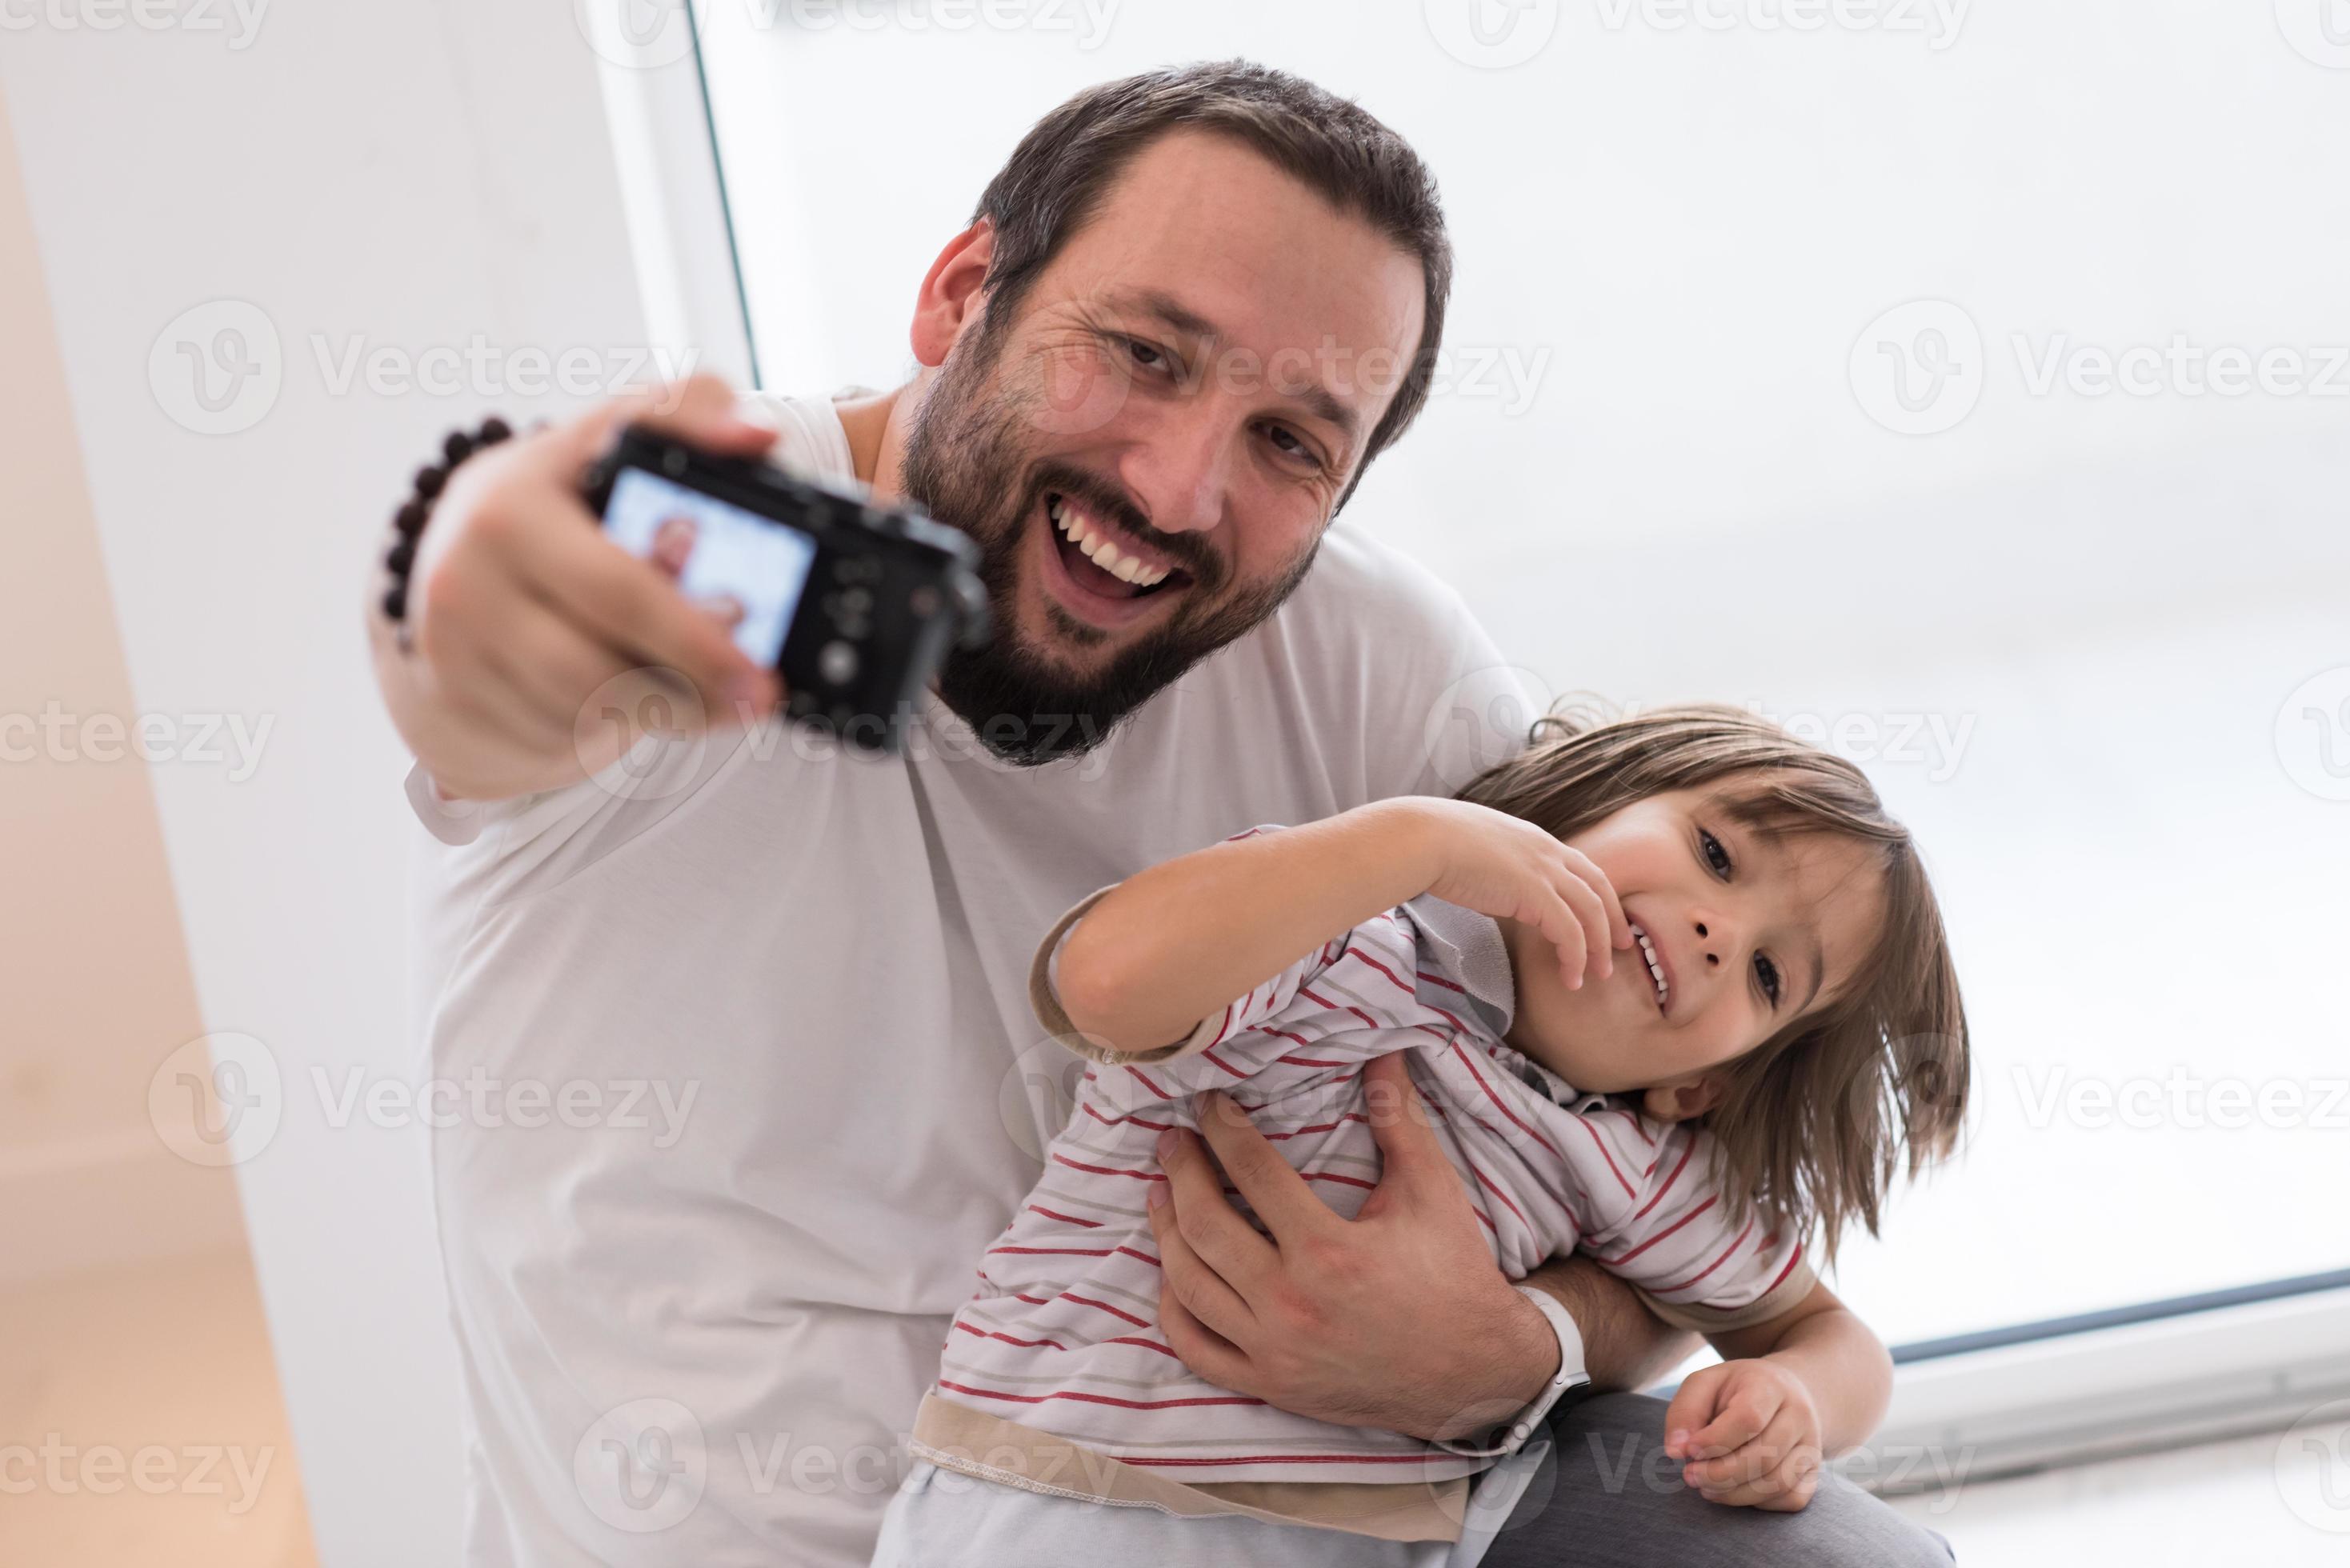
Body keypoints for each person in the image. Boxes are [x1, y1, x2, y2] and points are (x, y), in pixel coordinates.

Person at [368, 61, 1957, 1566]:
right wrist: (485, 575)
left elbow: (1624, 1115)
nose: (1179, 484)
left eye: (1289, 440)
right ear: (956, 293)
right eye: (1142, 351)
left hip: (1280, 1508)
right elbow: (477, 646)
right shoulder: (697, 570)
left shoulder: (1373, 671)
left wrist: (1513, 1342)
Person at [874, 705, 1969, 1566]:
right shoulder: (1342, 945)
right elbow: (1104, 984)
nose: (1714, 930)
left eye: (1770, 974)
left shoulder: (1635, 1169)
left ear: (1707, 1087)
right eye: (1716, 856)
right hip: (1057, 1491)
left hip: (1370, 1545)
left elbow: (1828, 1341)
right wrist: (1411, 841)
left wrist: (1796, 1405)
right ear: (1596, 798)